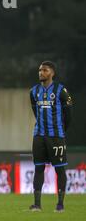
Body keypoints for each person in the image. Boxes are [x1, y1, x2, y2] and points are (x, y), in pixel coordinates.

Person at [29, 61, 73, 212]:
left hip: (56, 136)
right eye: (40, 70)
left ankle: (60, 205)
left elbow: (68, 114)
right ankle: (37, 204)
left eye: (45, 70)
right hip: (39, 136)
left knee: (59, 170)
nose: (41, 72)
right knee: (38, 168)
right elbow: (35, 111)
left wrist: (61, 130)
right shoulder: (34, 91)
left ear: (52, 73)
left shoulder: (61, 91)